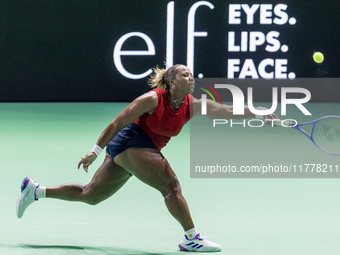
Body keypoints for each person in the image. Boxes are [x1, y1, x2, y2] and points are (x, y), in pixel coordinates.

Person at [16, 64, 278, 252]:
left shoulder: (193, 104)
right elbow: (117, 122)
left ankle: (35, 191)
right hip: (132, 142)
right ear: (171, 82)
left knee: (90, 195)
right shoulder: (152, 99)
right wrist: (94, 152)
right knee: (171, 186)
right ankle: (191, 237)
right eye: (185, 75)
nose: (191, 78)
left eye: (192, 75)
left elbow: (225, 111)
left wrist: (260, 113)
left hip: (140, 149)